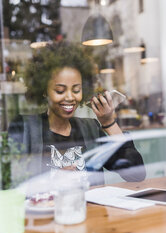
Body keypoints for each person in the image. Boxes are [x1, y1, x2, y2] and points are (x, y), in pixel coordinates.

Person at [8, 42, 145, 183]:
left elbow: (136, 174)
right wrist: (51, 180)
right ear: (44, 91)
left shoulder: (90, 128)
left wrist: (108, 123)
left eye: (76, 90)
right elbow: (13, 182)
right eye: (60, 91)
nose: (69, 97)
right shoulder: (25, 128)